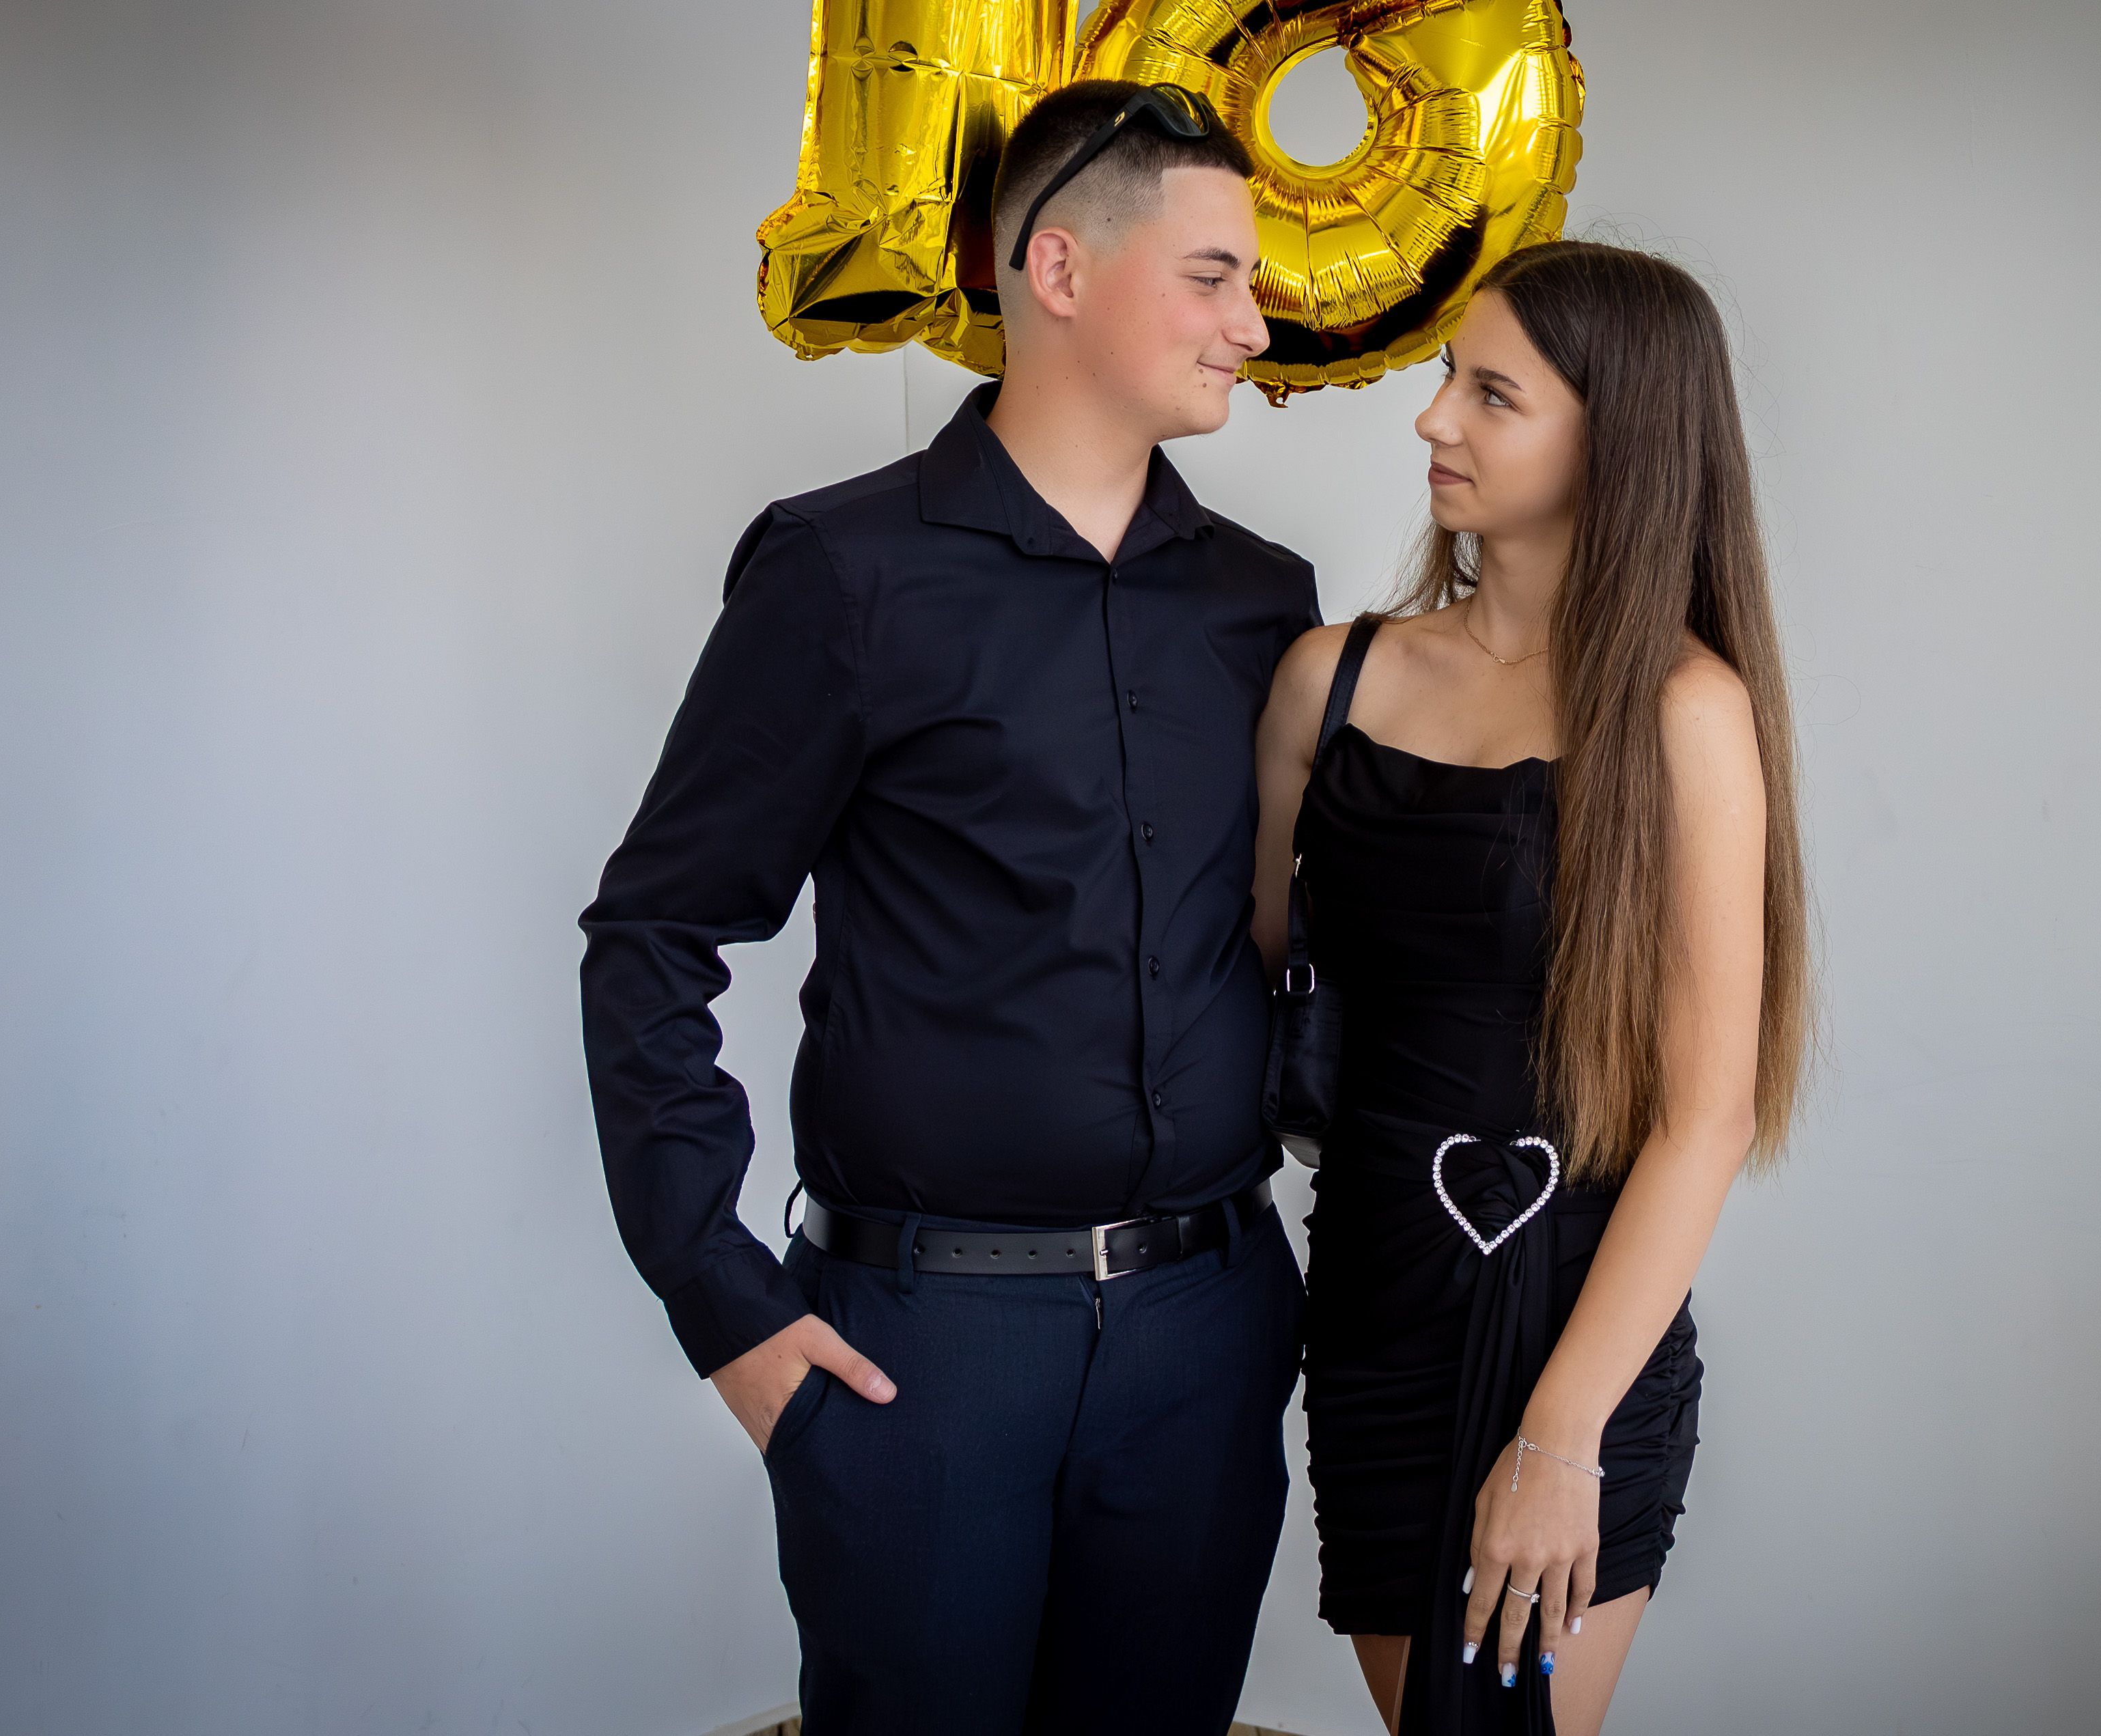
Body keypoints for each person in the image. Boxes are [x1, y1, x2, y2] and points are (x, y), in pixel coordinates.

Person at [579, 81, 1318, 1734]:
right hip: (924, 1346)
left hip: (1208, 1331)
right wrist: (724, 1302)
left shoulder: (1265, 601)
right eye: (1212, 278)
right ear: (1056, 268)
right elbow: (654, 935)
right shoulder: (841, 573)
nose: (1253, 327)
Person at [1251, 240, 1812, 1735]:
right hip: (1371, 1309)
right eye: (1449, 377)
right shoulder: (1327, 680)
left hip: (1581, 1331)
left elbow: (1705, 1119)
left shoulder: (1687, 712)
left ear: (1614, 439)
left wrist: (1562, 1438)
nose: (1433, 418)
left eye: (1491, 394)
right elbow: (1255, 988)